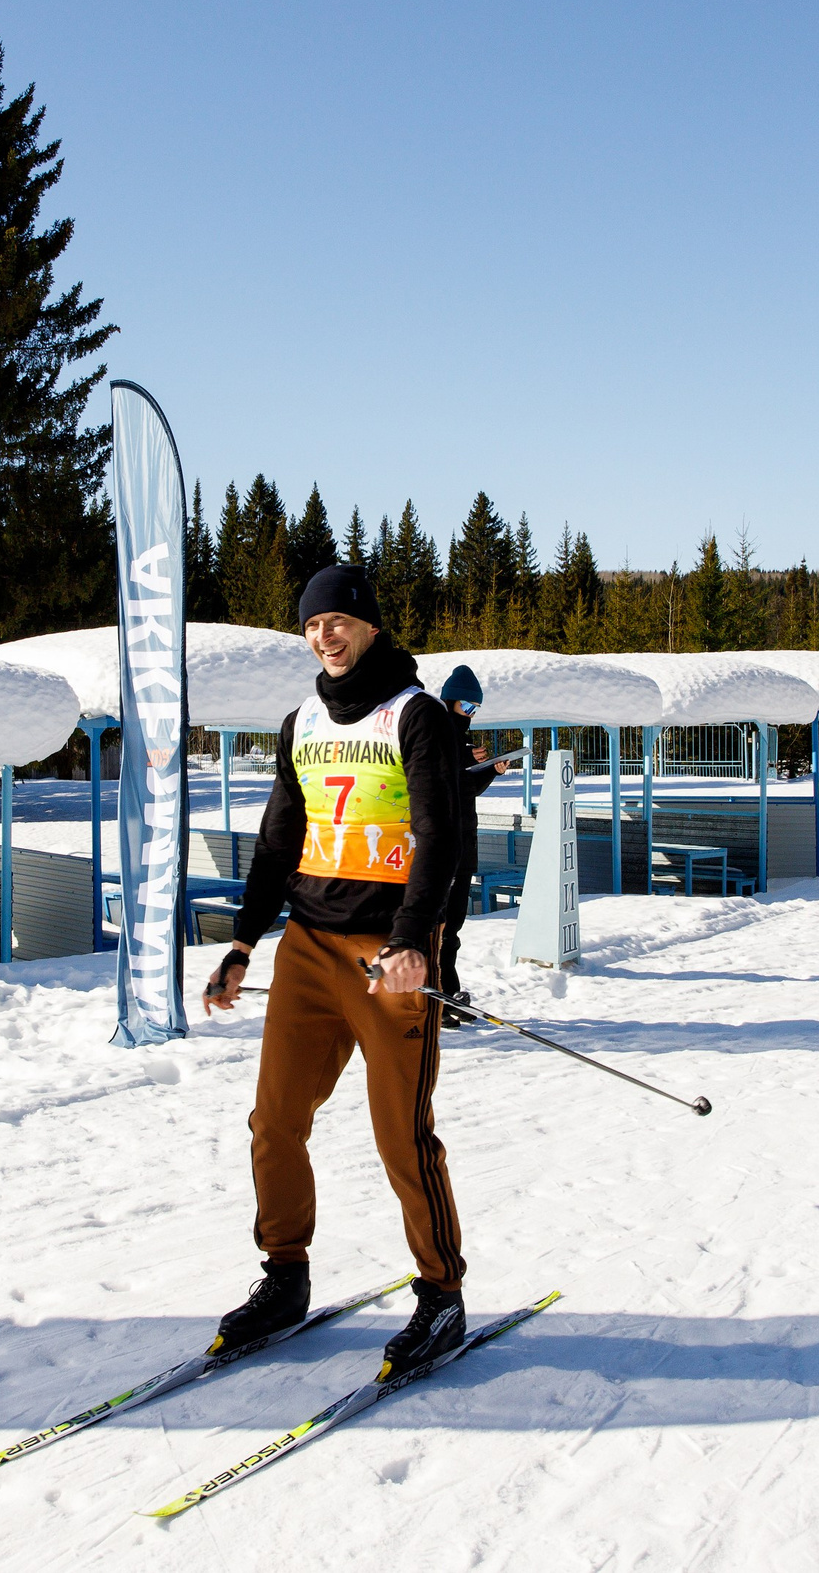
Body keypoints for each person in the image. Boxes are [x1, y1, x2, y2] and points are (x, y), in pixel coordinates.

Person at [201, 564, 469, 1376]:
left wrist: (416, 940)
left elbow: (443, 839)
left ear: (371, 627)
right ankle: (285, 1276)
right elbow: (280, 838)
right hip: (309, 949)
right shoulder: (303, 721)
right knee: (274, 1121)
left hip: (387, 953)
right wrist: (245, 942)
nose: (326, 635)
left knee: (401, 1136)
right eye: (314, 626)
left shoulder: (416, 717)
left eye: (340, 621)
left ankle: (441, 1296)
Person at [435, 665, 501, 1028]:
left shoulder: (462, 742)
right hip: (440, 848)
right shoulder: (435, 734)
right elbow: (441, 781)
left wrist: (491, 769)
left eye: (475, 708)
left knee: (453, 927)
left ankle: (449, 992)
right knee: (438, 927)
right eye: (466, 705)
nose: (470, 713)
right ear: (449, 701)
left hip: (463, 847)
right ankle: (436, 997)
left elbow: (466, 789)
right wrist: (466, 763)